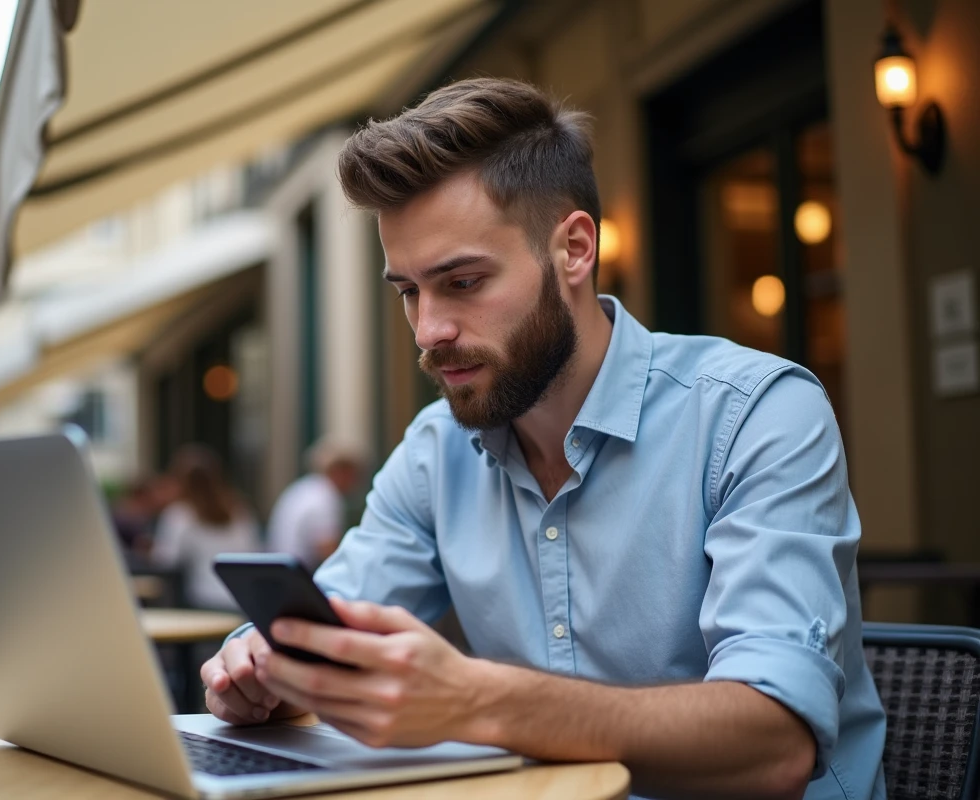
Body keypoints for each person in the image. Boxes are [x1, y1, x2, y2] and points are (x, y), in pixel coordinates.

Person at [199, 78, 886, 800]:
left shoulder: (757, 414)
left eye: (462, 282)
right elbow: (328, 628)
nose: (429, 330)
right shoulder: (438, 451)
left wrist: (477, 701)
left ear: (575, 250)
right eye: (408, 292)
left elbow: (773, 745)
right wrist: (261, 670)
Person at [151, 445, 260, 611]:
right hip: (242, 600)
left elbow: (166, 560)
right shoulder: (239, 509)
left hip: (203, 601)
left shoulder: (180, 515)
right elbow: (255, 551)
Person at [267, 438, 364, 570]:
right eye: (355, 474)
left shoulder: (305, 488)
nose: (356, 482)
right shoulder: (325, 497)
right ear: (341, 471)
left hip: (282, 570)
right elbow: (330, 554)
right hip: (296, 577)